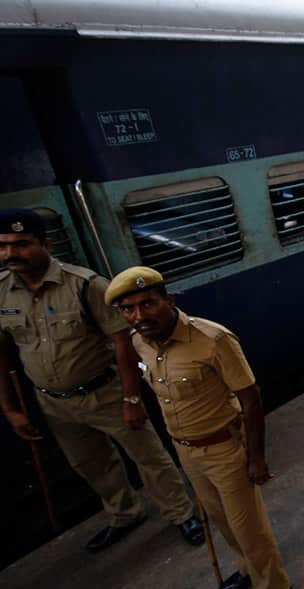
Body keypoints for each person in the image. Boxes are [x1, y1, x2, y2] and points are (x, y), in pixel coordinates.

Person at [0, 208, 203, 552]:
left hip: (104, 393)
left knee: (148, 457)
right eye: (3, 246)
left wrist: (132, 398)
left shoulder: (84, 285)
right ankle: (124, 514)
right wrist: (9, 407)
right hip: (53, 402)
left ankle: (182, 513)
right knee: (90, 463)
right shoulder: (2, 293)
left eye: (20, 244)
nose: (10, 254)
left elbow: (123, 342)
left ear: (46, 244)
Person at [106, 267, 293, 589]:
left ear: (168, 301)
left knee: (248, 527)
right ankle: (246, 570)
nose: (139, 316)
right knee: (220, 520)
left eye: (148, 304)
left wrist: (256, 458)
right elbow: (132, 365)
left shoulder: (212, 339)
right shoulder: (139, 340)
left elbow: (250, 399)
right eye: (129, 309)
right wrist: (131, 397)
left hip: (225, 448)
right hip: (186, 450)